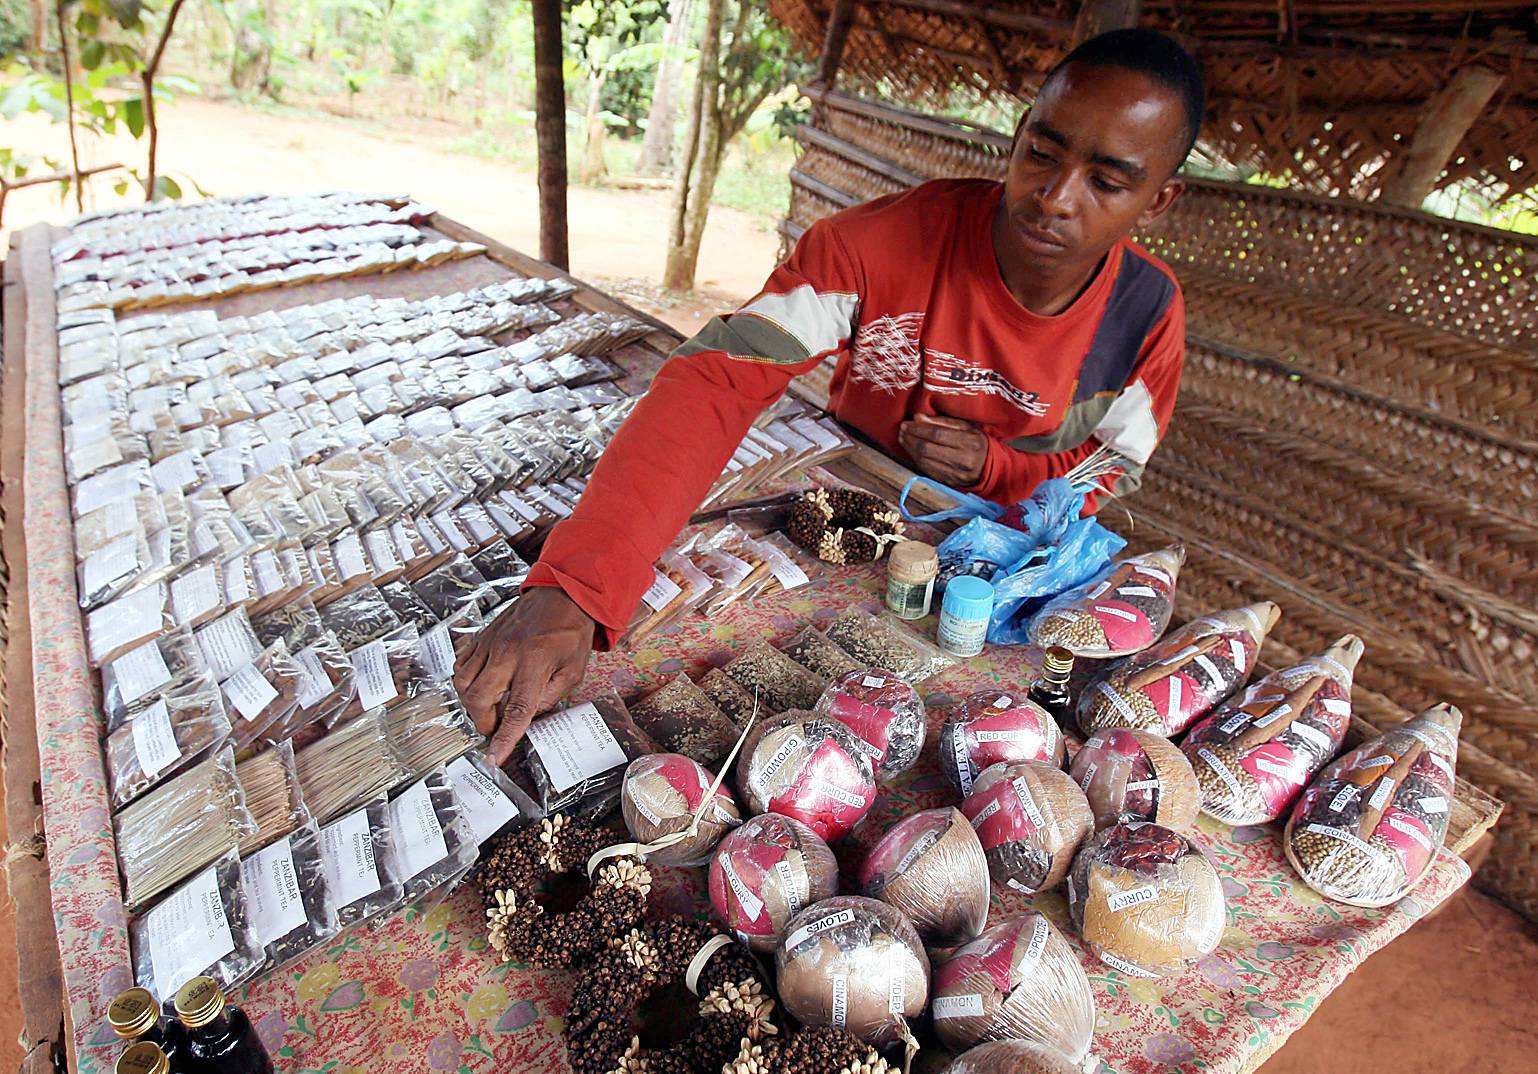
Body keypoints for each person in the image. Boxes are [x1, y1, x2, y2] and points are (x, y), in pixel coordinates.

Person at [458, 28, 1206, 761]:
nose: (1055, 197)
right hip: (847, 515)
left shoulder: (1145, 311)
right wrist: (578, 587)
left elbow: (1112, 470)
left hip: (996, 566)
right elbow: (718, 377)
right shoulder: (875, 247)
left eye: (1106, 181)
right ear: (1017, 136)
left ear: (1161, 198)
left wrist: (996, 470)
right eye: (1042, 153)